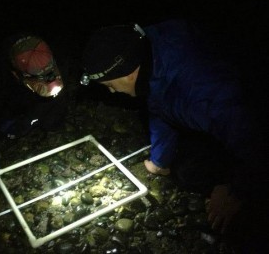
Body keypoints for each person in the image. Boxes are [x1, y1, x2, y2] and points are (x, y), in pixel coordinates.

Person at [80, 20, 268, 236]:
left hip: (254, 110)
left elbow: (257, 137)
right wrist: (160, 160)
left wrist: (237, 190)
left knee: (193, 173)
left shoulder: (201, 91)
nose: (112, 92)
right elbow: (159, 105)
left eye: (109, 85)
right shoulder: (149, 52)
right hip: (223, 110)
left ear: (127, 73)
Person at [0, 33, 67, 181]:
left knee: (51, 120)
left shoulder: (50, 53)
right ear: (18, 74)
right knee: (1, 121)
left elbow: (58, 97)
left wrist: (31, 119)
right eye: (40, 85)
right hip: (10, 96)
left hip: (27, 97)